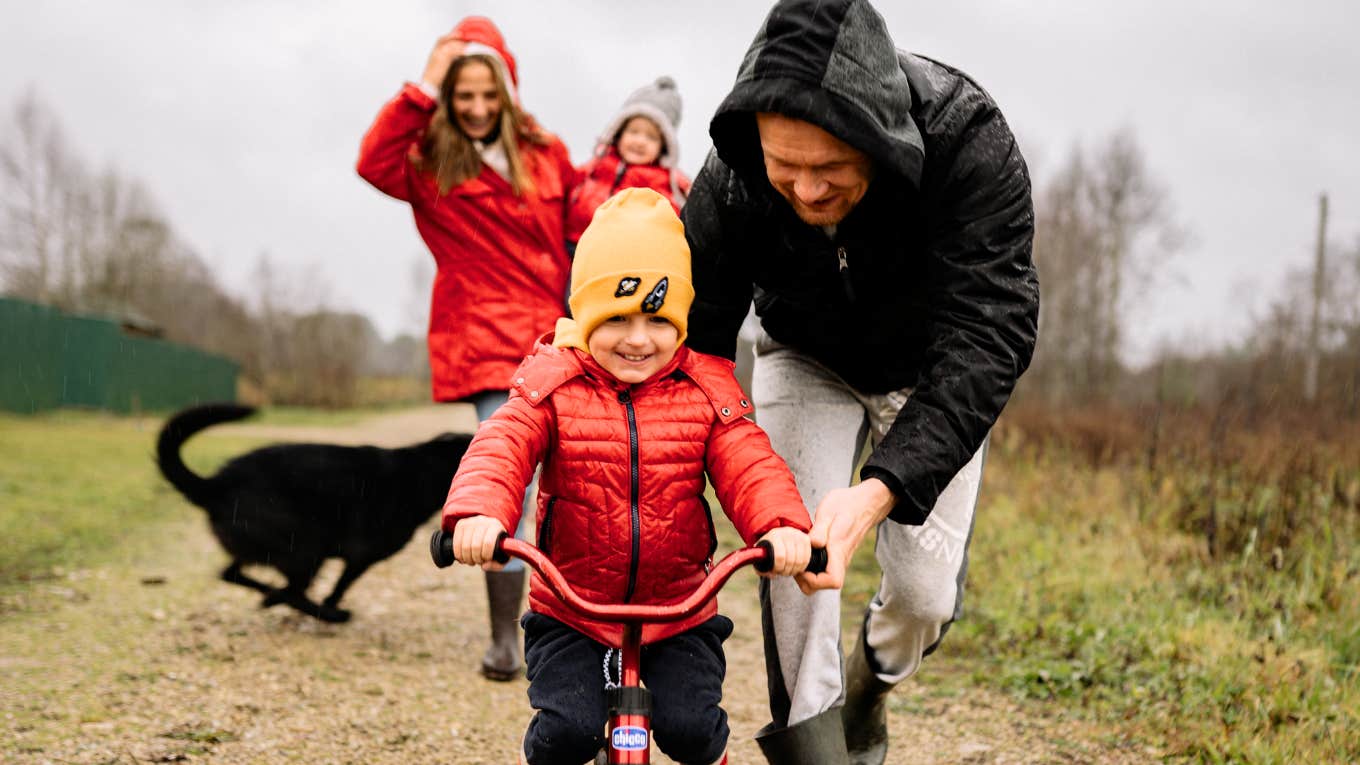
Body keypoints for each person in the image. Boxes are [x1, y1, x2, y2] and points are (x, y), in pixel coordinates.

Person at [680, 1, 1041, 763]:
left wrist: (878, 490)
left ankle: (869, 689)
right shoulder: (735, 175)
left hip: (927, 375)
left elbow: (991, 335)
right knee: (794, 561)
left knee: (922, 599)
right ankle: (818, 748)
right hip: (801, 356)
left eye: (831, 168)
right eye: (788, 167)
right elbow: (697, 338)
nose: (807, 192)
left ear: (879, 140)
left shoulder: (970, 143)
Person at [442, 188, 815, 765]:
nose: (638, 339)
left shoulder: (706, 389)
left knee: (692, 728)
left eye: (657, 319)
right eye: (616, 318)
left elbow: (749, 460)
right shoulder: (553, 383)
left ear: (681, 320)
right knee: (568, 729)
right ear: (586, 315)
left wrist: (781, 526)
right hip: (572, 609)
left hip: (680, 610)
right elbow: (502, 442)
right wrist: (479, 512)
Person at [356, 16, 578, 682]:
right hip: (484, 337)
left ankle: (572, 624)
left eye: (489, 95)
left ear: (507, 94)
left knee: (571, 481)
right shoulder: (427, 162)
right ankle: (506, 637)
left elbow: (581, 228)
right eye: (463, 95)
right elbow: (371, 162)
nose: (477, 108)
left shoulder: (546, 153)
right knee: (509, 475)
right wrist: (424, 85)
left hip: (555, 328)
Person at [565, 76, 692, 252]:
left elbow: (671, 221)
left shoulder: (667, 183)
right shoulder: (595, 166)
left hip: (623, 260)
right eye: (634, 131)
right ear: (618, 133)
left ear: (663, 146)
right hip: (576, 250)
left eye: (651, 137)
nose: (640, 141)